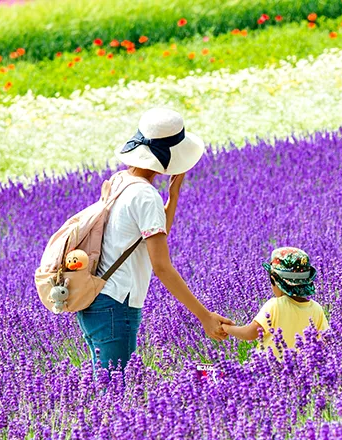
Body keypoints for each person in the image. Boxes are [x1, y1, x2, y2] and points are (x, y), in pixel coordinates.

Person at [76, 107, 233, 371]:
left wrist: (174, 195)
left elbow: (155, 233)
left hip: (95, 302)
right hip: (117, 305)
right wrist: (204, 316)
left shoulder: (120, 181)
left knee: (106, 387)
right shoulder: (146, 196)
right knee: (118, 393)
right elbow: (161, 266)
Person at [222, 247, 329, 356]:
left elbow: (250, 333)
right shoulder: (317, 308)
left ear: (274, 280)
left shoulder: (274, 305)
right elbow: (325, 340)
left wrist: (227, 328)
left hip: (268, 369)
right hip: (302, 370)